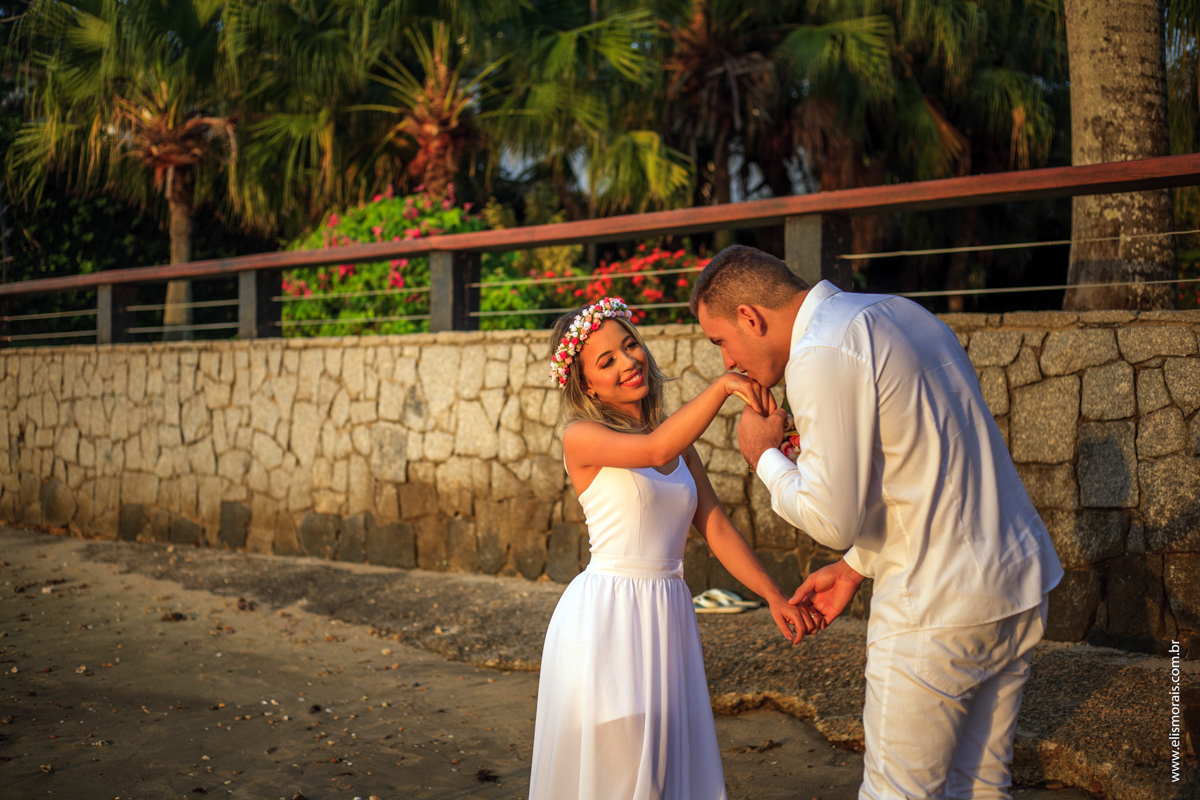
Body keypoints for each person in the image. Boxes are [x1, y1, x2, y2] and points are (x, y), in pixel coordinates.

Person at [689, 246, 1064, 800]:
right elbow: (925, 464)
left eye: (720, 340)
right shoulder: (899, 311)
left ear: (750, 316)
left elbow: (830, 518)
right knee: (981, 785)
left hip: (935, 607)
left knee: (897, 793)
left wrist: (764, 456)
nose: (726, 361)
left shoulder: (818, 352)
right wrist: (855, 567)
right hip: (1016, 583)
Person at [528, 296, 823, 800]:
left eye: (629, 346)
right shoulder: (583, 436)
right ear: (586, 385)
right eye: (607, 361)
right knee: (618, 773)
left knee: (664, 769)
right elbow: (652, 451)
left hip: (667, 612)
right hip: (607, 617)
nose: (627, 362)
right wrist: (725, 385)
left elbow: (715, 527)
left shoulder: (677, 440)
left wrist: (774, 595)